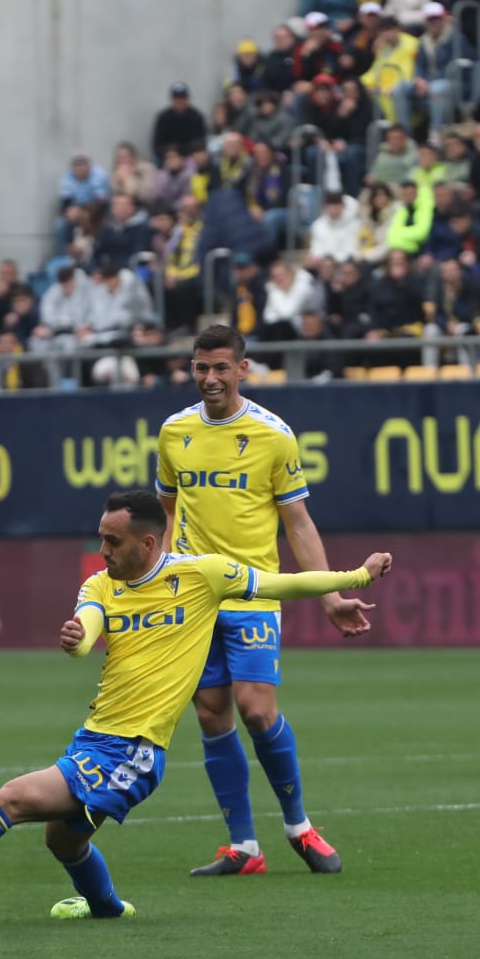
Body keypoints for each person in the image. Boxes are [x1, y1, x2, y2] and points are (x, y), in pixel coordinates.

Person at [0, 489, 393, 920]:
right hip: (94, 739)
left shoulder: (202, 576)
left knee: (11, 800)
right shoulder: (100, 586)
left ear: (148, 544)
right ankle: (106, 908)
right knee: (63, 839)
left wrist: (357, 578)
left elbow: (282, 583)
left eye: (112, 541)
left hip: (135, 751)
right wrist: (77, 639)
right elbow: (88, 629)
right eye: (100, 539)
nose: (102, 551)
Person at [155, 326, 371, 876]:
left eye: (221, 368)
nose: (210, 378)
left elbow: (297, 523)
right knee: (211, 713)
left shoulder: (273, 435)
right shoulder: (173, 432)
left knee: (256, 708)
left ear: (243, 370)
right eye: (201, 367)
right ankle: (243, 848)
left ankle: (299, 826)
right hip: (196, 597)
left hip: (253, 591)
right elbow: (168, 510)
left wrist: (330, 596)